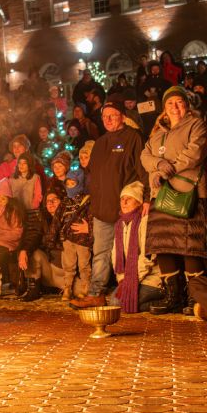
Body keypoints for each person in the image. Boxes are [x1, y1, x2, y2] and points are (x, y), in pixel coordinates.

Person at [140, 87, 207, 315]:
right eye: (170, 104)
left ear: (187, 105)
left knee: (190, 246)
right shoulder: (157, 132)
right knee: (164, 246)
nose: (175, 107)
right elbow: (145, 156)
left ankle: (194, 297)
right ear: (164, 108)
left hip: (188, 194)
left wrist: (169, 169)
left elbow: (194, 153)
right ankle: (173, 296)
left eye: (180, 102)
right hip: (162, 196)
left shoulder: (196, 125)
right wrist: (158, 167)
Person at [71, 95, 146, 308]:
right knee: (101, 253)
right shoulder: (101, 143)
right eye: (105, 116)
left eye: (113, 115)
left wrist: (145, 198)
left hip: (126, 210)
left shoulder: (133, 138)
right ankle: (96, 292)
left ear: (122, 116)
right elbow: (93, 176)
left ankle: (129, 289)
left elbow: (143, 172)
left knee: (130, 252)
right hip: (102, 211)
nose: (109, 120)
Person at [111, 182, 165, 313]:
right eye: (122, 199)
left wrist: (132, 279)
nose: (124, 202)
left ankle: (166, 300)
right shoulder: (120, 225)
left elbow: (148, 257)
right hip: (129, 278)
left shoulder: (145, 221)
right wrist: (122, 280)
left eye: (128, 199)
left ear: (139, 203)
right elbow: (115, 256)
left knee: (119, 304)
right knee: (114, 302)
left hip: (150, 279)